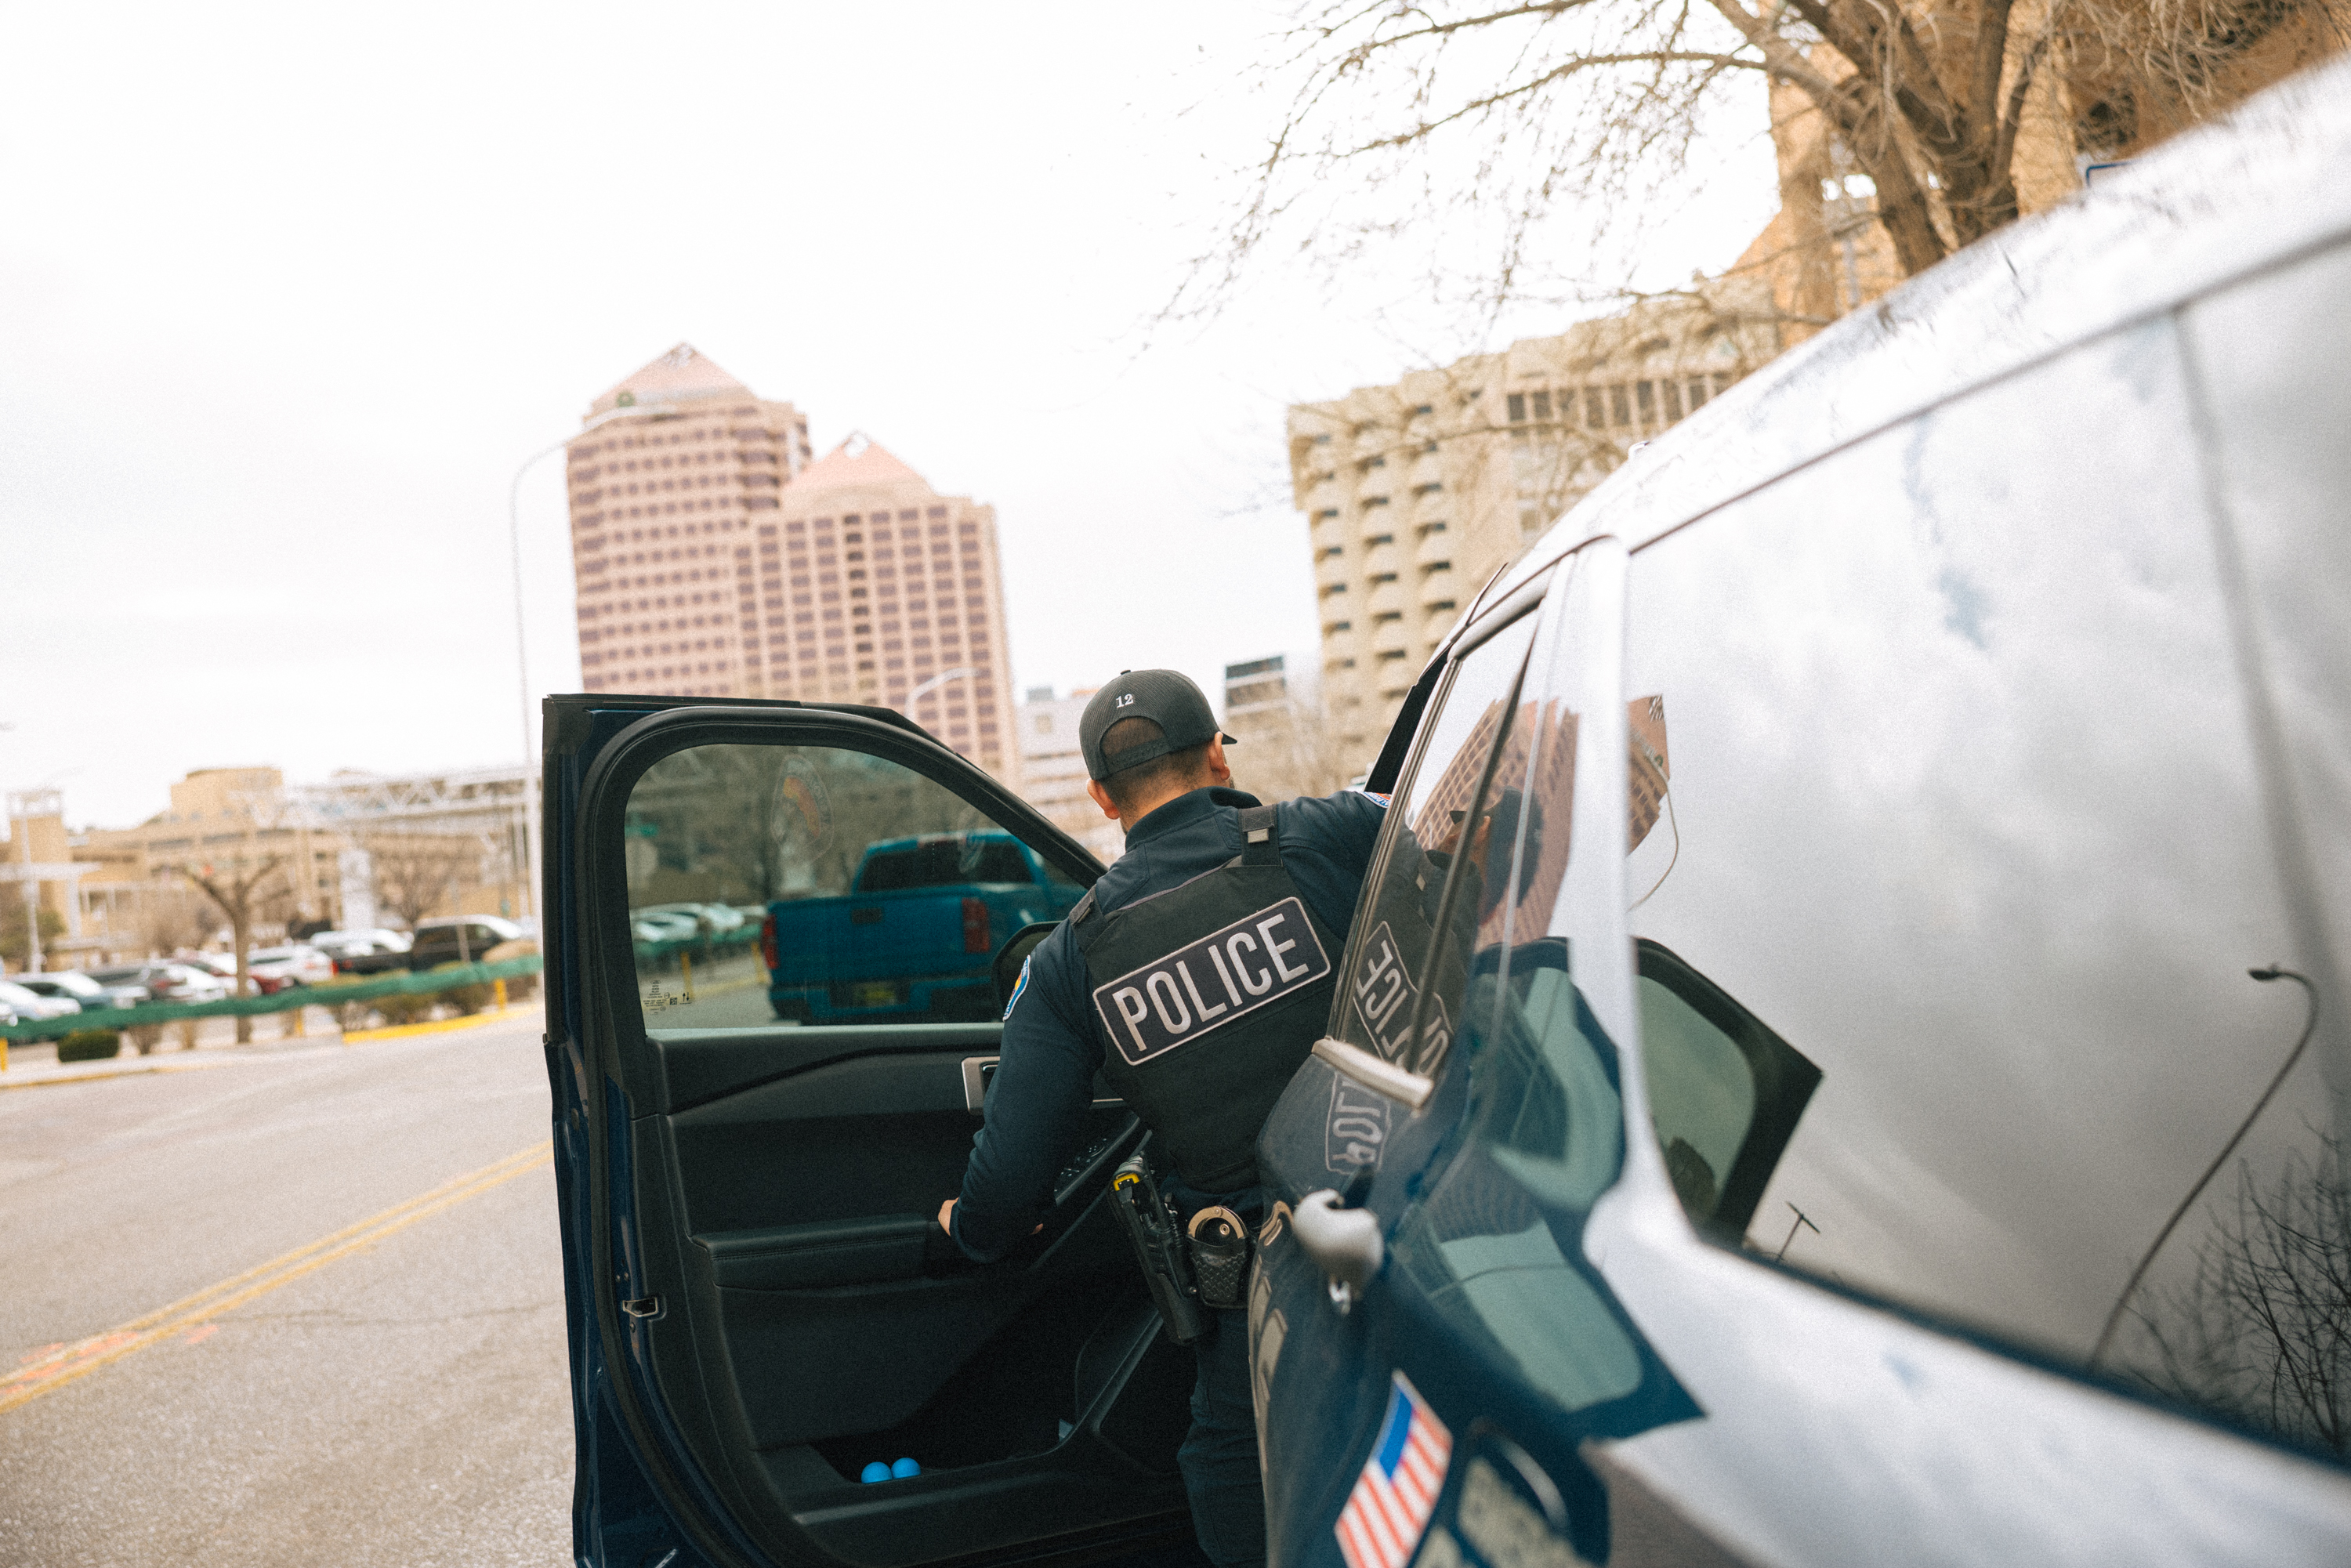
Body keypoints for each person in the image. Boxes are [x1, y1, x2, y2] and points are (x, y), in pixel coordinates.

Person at [936, 669, 1386, 1568]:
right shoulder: (1336, 834)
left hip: (1261, 1284)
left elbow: (1011, 1178)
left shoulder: (1073, 960)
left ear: (1103, 800)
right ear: (1218, 753)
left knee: (1228, 1471)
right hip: (1412, 1216)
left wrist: (966, 1228)